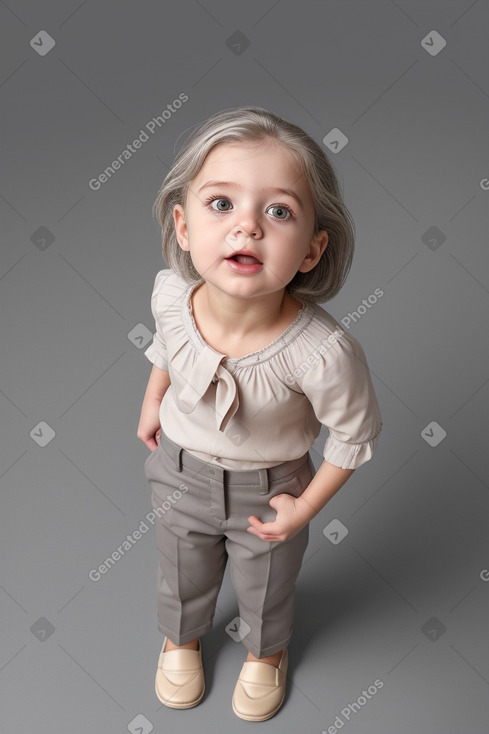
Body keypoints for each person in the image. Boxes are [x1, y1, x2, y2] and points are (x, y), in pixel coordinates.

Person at [137, 105, 383, 722]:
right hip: (181, 471)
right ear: (183, 226)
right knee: (180, 567)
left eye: (278, 212)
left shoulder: (321, 353)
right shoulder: (173, 294)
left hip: (272, 488)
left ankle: (266, 652)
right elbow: (168, 347)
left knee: (266, 584)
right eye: (221, 204)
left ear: (311, 250)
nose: (247, 227)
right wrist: (152, 400)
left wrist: (306, 506)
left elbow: (353, 436)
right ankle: (181, 637)